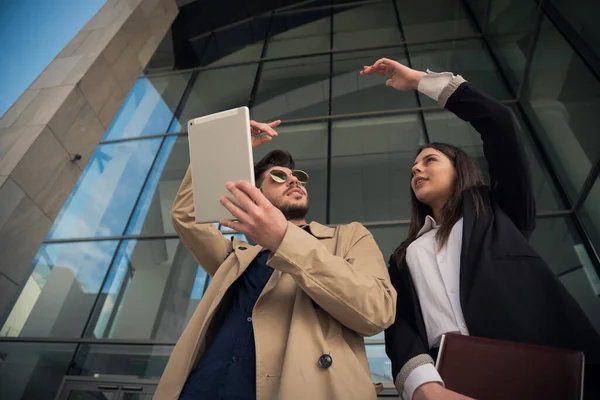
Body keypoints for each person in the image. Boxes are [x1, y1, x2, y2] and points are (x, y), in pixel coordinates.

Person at [361, 59, 600, 400]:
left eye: (430, 160)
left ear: (460, 170)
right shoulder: (404, 254)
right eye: (413, 168)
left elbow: (499, 123)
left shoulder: (498, 212)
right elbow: (402, 326)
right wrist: (424, 387)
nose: (417, 170)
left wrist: (419, 81)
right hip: (448, 380)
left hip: (535, 369)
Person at [153, 120, 397, 400]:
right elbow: (187, 215)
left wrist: (284, 239)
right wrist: (223, 149)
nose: (294, 180)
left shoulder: (348, 237)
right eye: (278, 177)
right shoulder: (236, 258)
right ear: (254, 195)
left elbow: (378, 311)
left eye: (298, 177)